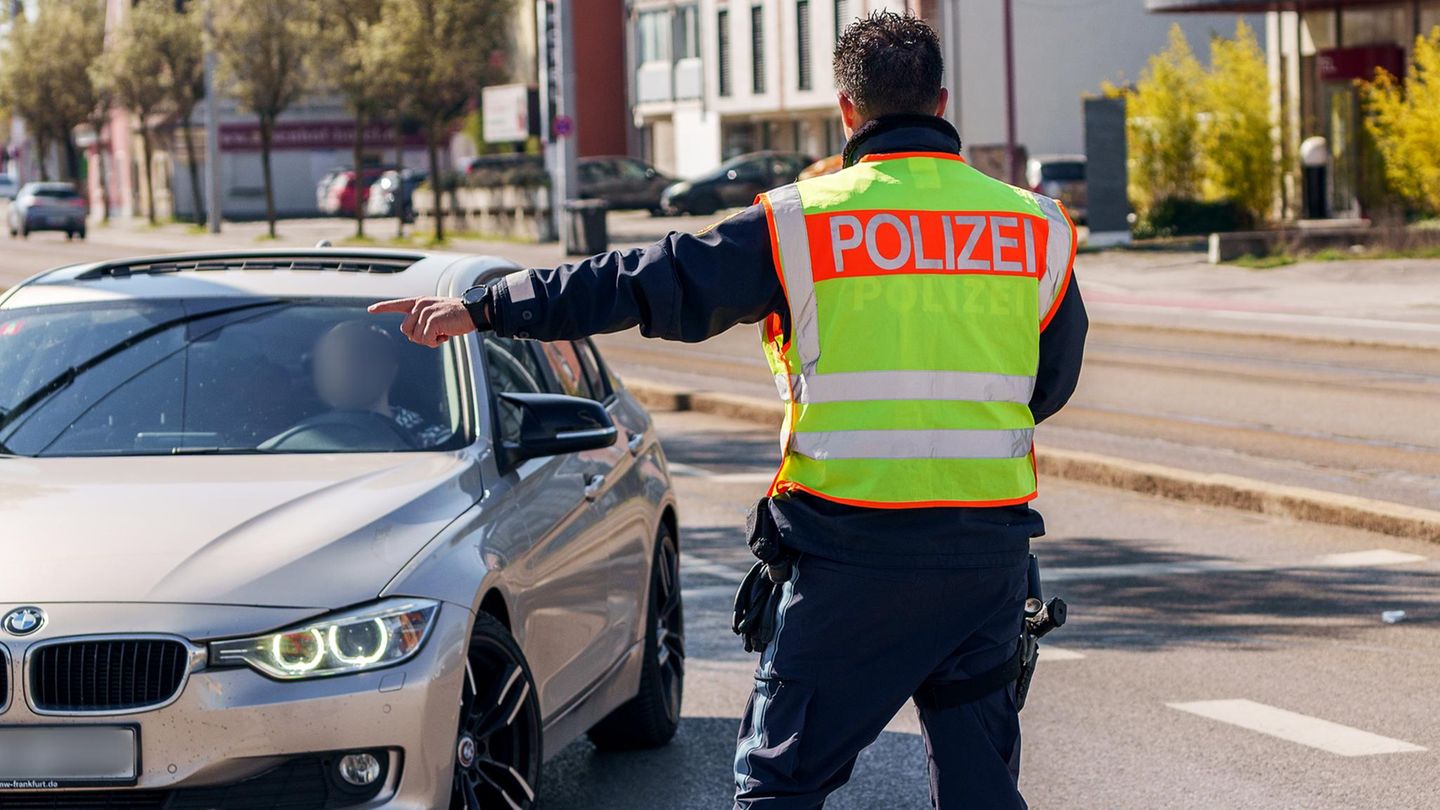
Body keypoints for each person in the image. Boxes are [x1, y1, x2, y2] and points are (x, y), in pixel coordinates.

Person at [371, 11, 1085, 808]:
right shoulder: (1036, 225)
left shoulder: (800, 223)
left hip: (851, 558)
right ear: (942, 103)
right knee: (983, 789)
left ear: (847, 109)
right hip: (985, 561)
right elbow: (1050, 385)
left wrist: (495, 304)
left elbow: (647, 278)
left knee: (778, 787)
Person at [310, 320, 450, 449]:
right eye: (332, 363)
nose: (344, 370)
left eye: (359, 359)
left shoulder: (432, 440)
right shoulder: (303, 436)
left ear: (389, 369)